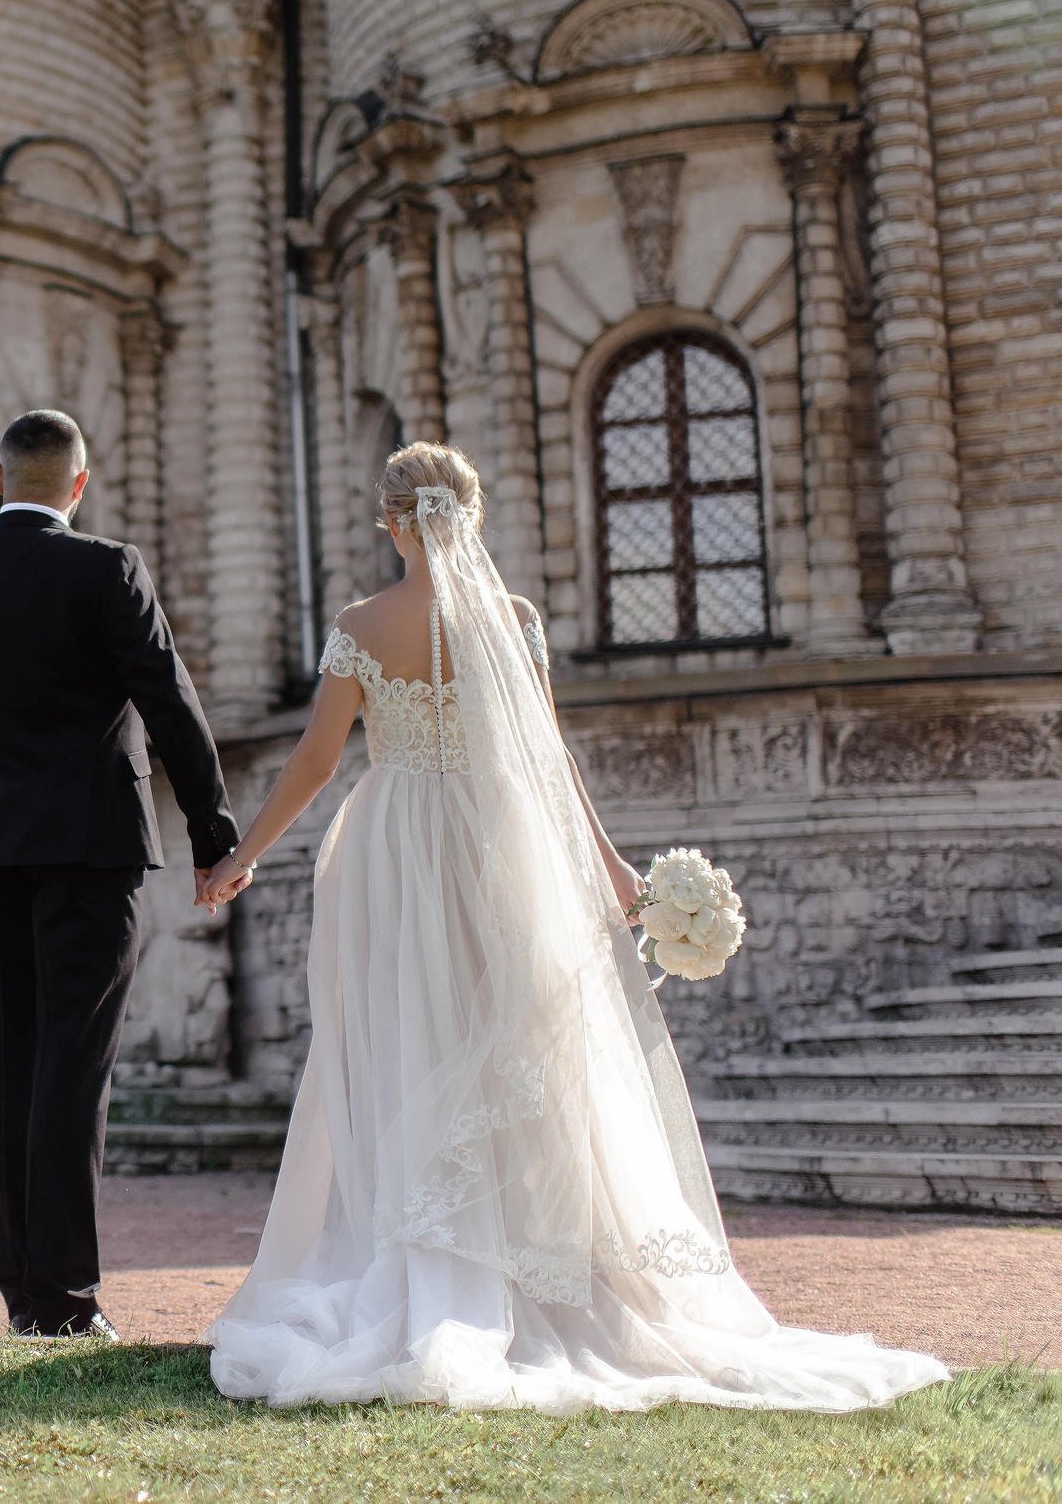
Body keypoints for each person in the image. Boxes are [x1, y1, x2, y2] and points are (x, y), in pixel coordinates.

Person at [197, 441, 948, 1411]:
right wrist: (612, 867)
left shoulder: (361, 624)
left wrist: (242, 853)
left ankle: (434, 1262)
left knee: (405, 1039)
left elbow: (311, 759)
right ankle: (527, 1263)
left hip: (397, 845)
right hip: (507, 843)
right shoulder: (513, 621)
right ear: (471, 516)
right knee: (515, 1038)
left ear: (391, 520)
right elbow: (550, 761)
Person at [0, 408, 239, 1340]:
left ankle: (25, 1292)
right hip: (94, 843)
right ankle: (64, 1299)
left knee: (15, 1062)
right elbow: (170, 702)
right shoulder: (109, 569)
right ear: (78, 485)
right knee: (72, 1067)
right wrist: (215, 833)